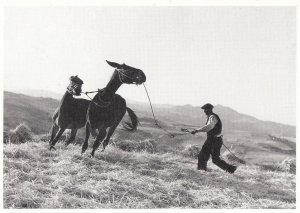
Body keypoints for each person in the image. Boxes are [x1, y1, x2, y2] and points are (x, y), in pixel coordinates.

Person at [190, 103, 237, 174]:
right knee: (215, 160)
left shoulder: (212, 117)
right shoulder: (213, 117)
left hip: (212, 140)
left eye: (205, 109)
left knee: (202, 157)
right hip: (217, 140)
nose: (204, 111)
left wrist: (197, 130)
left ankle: (201, 172)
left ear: (209, 109)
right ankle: (231, 169)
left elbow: (209, 127)